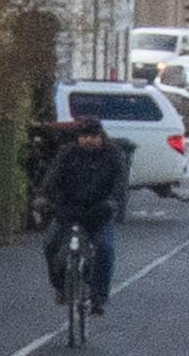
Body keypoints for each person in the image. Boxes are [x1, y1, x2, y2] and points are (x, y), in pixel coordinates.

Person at [37, 107, 128, 320]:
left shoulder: (113, 154)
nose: (89, 140)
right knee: (50, 244)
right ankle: (60, 286)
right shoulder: (67, 154)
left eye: (94, 136)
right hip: (68, 212)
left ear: (101, 136)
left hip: (99, 213)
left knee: (105, 249)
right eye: (85, 136)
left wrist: (112, 202)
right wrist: (45, 197)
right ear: (78, 137)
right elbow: (51, 180)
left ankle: (98, 299)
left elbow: (120, 183)